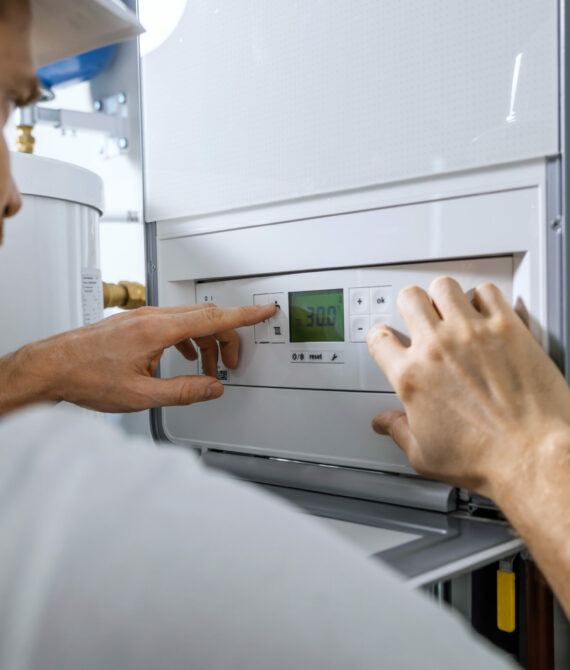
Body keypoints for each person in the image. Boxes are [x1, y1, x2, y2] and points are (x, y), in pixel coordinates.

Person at [0, 1, 555, 668]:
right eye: (3, 103)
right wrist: (526, 454)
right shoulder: (68, 512)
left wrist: (36, 371)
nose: (14, 194)